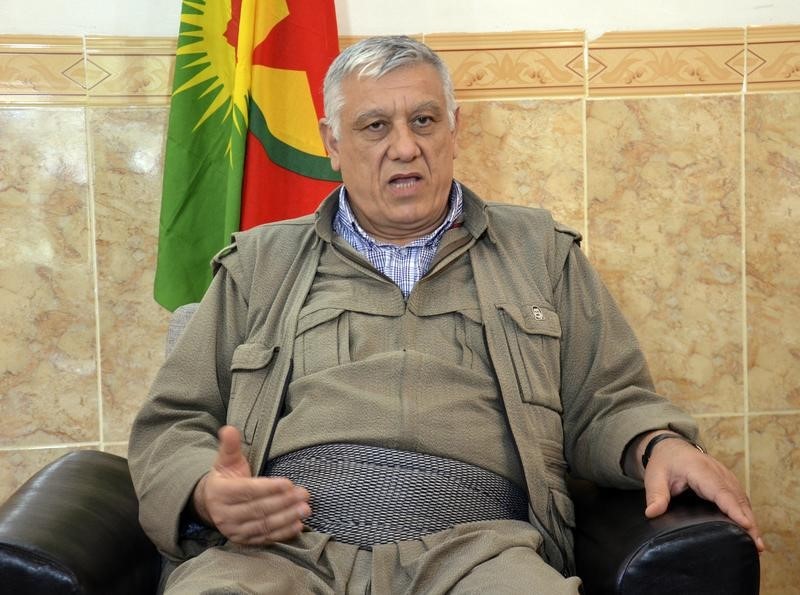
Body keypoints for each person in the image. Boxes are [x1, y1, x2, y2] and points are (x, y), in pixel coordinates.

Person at [129, 35, 763, 594]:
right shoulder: (258, 263)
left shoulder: (539, 252)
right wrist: (207, 494)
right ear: (332, 143)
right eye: (375, 126)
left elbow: (608, 399)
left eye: (424, 120)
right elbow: (174, 421)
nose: (405, 147)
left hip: (479, 549)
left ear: (454, 129)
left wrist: (658, 443)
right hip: (283, 550)